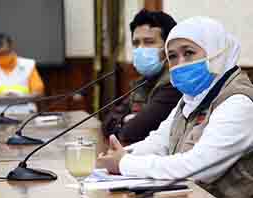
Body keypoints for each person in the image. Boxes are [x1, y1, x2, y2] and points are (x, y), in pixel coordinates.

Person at [98, 16, 253, 198]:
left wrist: (125, 163)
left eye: (188, 53)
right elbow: (160, 142)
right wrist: (122, 154)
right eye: (172, 56)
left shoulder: (239, 102)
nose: (180, 64)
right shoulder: (193, 96)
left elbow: (198, 168)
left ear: (216, 52)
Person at [102, 10, 182, 145]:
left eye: (149, 42)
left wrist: (125, 122)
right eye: (136, 43)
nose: (140, 49)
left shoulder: (174, 83)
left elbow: (133, 132)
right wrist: (125, 121)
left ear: (169, 47)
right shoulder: (144, 81)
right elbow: (107, 122)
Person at [0, 33, 44, 114]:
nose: (3, 57)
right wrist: (1, 98)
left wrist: (19, 98)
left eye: (5, 53)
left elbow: (38, 93)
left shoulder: (28, 65)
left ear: (11, 46)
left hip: (25, 111)